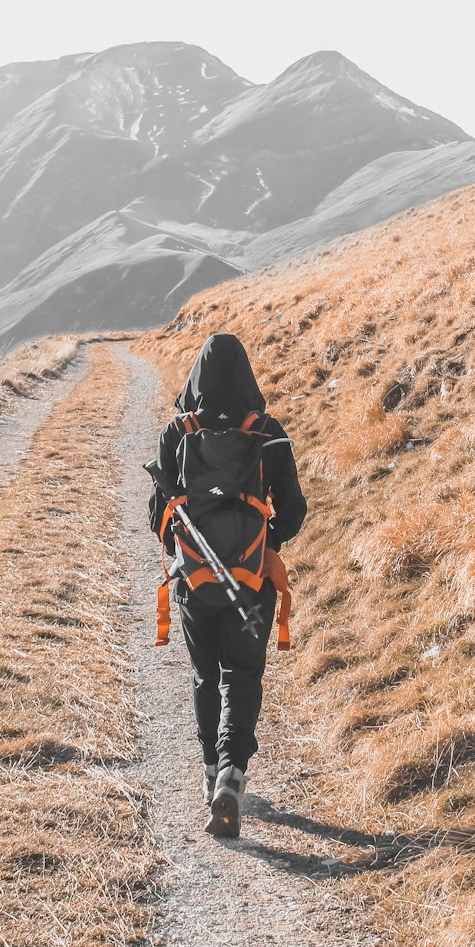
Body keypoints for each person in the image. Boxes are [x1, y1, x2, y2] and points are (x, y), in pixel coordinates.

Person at [147, 333, 307, 838]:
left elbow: (159, 515)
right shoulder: (268, 432)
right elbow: (295, 509)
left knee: (204, 674)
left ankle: (210, 772)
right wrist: (265, 541)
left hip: (196, 579)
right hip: (251, 577)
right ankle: (233, 772)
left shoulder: (178, 433)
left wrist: (183, 550)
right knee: (242, 674)